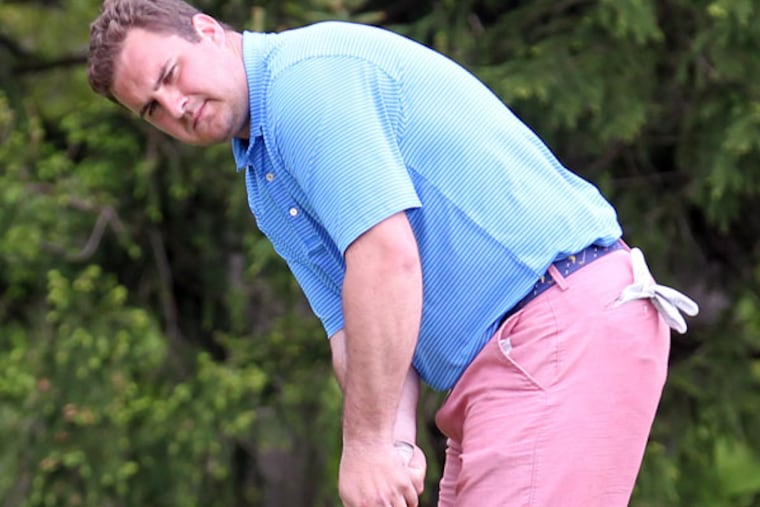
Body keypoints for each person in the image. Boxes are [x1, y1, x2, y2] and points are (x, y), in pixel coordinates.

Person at [87, 1, 699, 505]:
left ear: (207, 31)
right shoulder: (264, 177)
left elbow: (386, 258)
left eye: (169, 76)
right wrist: (393, 448)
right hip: (499, 369)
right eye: (151, 109)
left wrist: (366, 447)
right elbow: (357, 331)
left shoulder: (306, 82)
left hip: (554, 328)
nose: (175, 107)